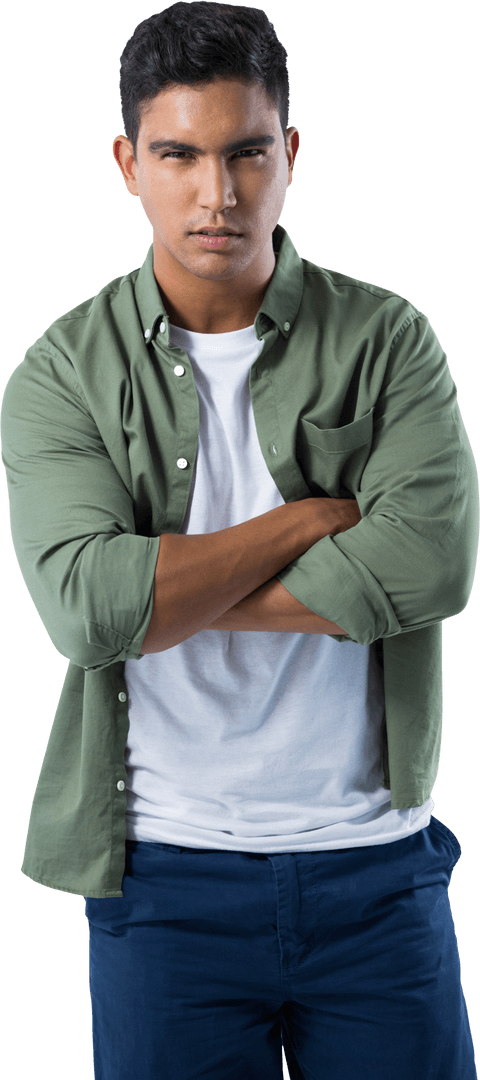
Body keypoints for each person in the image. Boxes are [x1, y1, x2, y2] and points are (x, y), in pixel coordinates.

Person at [1, 2, 478, 1078]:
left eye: (245, 152)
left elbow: (433, 564)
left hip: (378, 873)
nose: (217, 194)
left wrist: (162, 596)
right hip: (164, 884)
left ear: (290, 154)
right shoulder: (60, 372)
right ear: (129, 162)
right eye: (178, 155)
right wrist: (311, 522)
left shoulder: (389, 339)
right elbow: (84, 611)